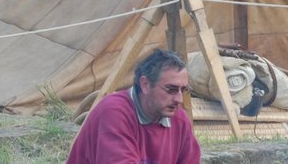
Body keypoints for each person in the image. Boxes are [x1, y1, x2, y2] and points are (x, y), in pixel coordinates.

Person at [67, 48, 201, 164]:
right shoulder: (114, 112)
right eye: (171, 89)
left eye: (183, 90)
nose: (179, 99)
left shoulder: (179, 119)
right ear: (145, 84)